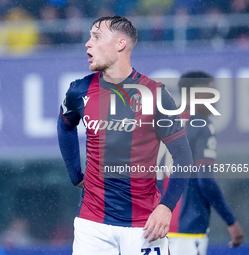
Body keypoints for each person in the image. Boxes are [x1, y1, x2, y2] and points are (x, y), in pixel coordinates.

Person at [57, 16, 193, 255]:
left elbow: (183, 158)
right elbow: (65, 125)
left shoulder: (155, 95)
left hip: (145, 224)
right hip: (92, 224)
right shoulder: (79, 90)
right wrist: (74, 174)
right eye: (89, 36)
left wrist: (166, 207)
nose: (88, 43)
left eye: (96, 37)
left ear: (120, 44)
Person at [159, 71, 244, 255]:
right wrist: (231, 221)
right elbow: (204, 180)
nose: (215, 99)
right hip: (186, 230)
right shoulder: (201, 125)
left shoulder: (164, 123)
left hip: (155, 227)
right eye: (211, 92)